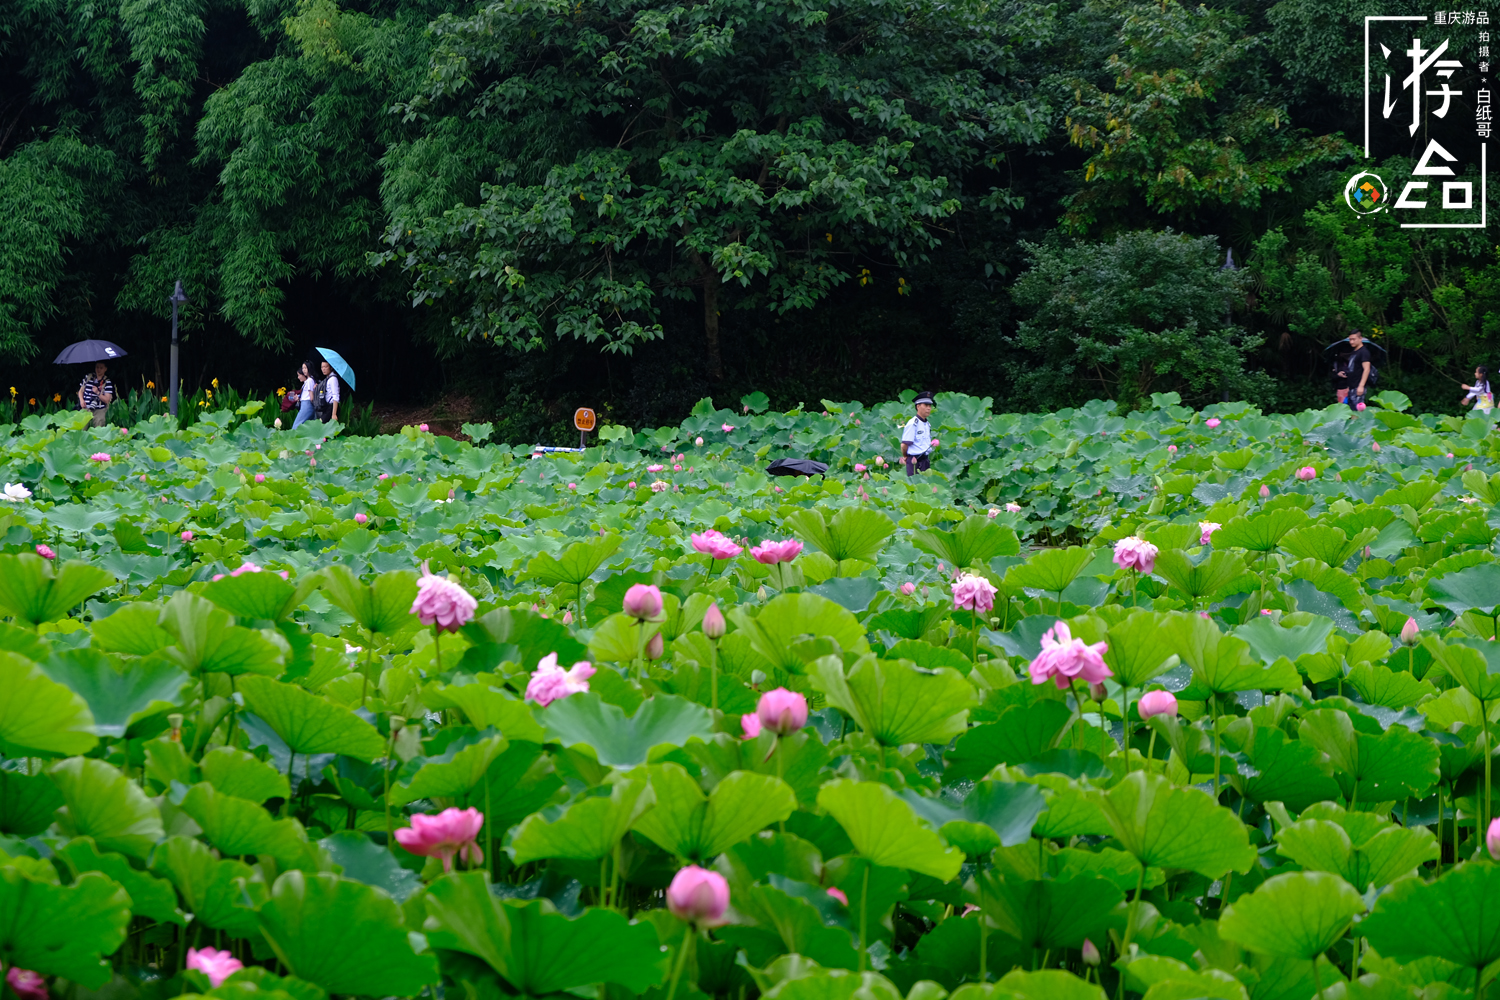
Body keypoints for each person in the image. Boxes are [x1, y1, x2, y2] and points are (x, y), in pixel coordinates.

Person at [901, 393, 936, 476]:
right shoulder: (913, 423)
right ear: (918, 406)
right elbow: (904, 445)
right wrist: (905, 456)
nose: (928, 408)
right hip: (914, 461)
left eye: (930, 406)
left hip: (925, 460)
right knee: (915, 485)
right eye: (926, 405)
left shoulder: (927, 424)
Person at [1336, 330, 1373, 409]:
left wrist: (1361, 386)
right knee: (1351, 410)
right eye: (1350, 339)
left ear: (1360, 338)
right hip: (1351, 387)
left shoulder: (1364, 352)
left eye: (1354, 339)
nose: (1351, 342)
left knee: (1357, 411)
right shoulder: (1354, 351)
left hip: (1358, 386)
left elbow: (1366, 369)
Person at [77, 361, 115, 427]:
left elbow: (107, 400)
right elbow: (80, 391)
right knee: (82, 427)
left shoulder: (107, 382)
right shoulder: (88, 377)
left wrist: (97, 392)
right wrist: (81, 400)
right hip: (86, 407)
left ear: (105, 369)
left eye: (101, 368)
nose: (99, 369)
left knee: (99, 427)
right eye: (97, 367)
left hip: (99, 409)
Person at [291, 362, 317, 429]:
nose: (304, 370)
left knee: (297, 425)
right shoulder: (309, 380)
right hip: (305, 404)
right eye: (303, 368)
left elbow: (311, 397)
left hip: (307, 404)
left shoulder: (310, 380)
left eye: (305, 368)